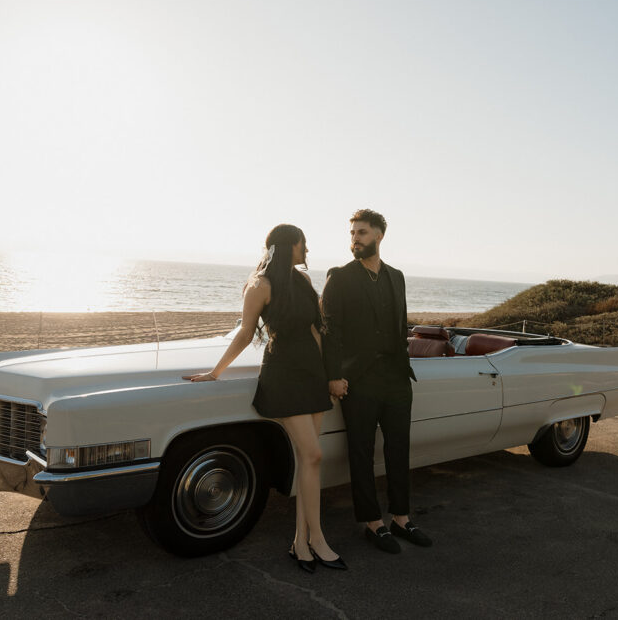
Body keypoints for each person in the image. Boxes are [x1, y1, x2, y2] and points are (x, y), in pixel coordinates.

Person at [184, 224, 346, 574]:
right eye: (303, 244)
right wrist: (216, 371)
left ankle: (301, 543)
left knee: (309, 462)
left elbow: (317, 330)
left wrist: (327, 374)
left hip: (311, 376)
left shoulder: (301, 281)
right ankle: (317, 538)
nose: (307, 249)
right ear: (289, 245)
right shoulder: (260, 285)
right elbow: (246, 332)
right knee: (313, 455)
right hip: (284, 376)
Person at [321, 209, 432, 553]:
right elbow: (329, 331)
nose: (355, 238)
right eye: (352, 233)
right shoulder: (339, 277)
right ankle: (372, 523)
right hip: (360, 380)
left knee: (399, 448)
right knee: (362, 452)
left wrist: (402, 358)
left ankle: (401, 517)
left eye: (363, 232)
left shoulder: (396, 277)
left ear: (380, 235)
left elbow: (401, 325)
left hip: (396, 377)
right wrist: (334, 375)